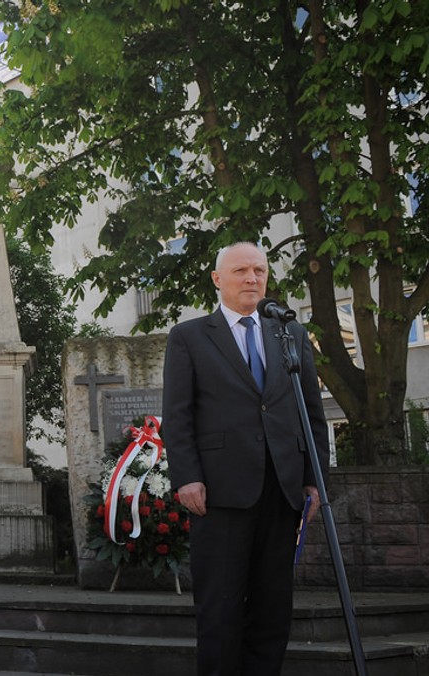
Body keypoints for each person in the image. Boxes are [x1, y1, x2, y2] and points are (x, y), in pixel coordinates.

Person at [163, 241, 329, 675]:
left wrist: (314, 479)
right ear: (218, 279)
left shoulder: (289, 333)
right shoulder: (190, 337)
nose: (252, 278)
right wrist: (186, 476)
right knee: (220, 607)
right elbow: (178, 415)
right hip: (219, 492)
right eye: (241, 271)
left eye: (259, 270)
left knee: (273, 608)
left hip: (282, 490)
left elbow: (311, 411)